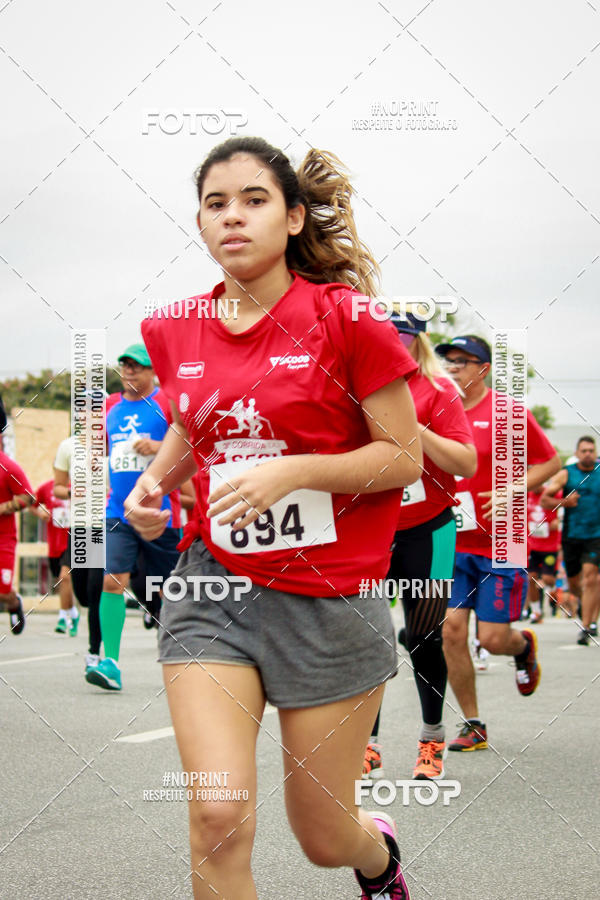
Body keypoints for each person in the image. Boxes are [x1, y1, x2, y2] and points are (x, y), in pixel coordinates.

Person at [128, 137, 423, 899]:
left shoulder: (349, 320)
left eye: (254, 201)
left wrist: (292, 472)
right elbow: (198, 424)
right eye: (215, 203)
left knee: (323, 835)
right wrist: (155, 484)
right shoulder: (172, 327)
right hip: (214, 590)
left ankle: (377, 858)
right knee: (218, 814)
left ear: (293, 217)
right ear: (198, 220)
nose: (233, 217)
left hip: (331, 601)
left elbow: (402, 457)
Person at [363, 311, 476, 782]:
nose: (393, 342)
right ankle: (366, 744)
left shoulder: (439, 390)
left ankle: (431, 738)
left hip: (429, 528)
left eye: (402, 335)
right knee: (366, 636)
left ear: (417, 342)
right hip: (370, 527)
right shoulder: (359, 387)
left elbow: (465, 463)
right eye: (384, 335)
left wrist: (415, 429)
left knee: (425, 635)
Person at [437, 336, 561, 752]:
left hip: (501, 541)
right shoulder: (434, 408)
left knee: (492, 639)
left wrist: (514, 487)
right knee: (451, 631)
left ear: (483, 368)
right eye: (446, 360)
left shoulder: (508, 413)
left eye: (461, 361)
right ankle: (473, 723)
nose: (452, 367)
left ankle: (523, 647)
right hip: (448, 539)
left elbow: (550, 462)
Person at [84, 344, 183, 691]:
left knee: (172, 590)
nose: (129, 372)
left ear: (152, 371)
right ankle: (109, 662)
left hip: (160, 512)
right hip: (118, 511)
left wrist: (159, 448)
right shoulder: (111, 406)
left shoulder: (167, 400)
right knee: (112, 581)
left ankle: (188, 662)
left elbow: (188, 443)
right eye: (125, 366)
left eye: (137, 367)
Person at [540, 436, 600, 645]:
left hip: (596, 535)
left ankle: (588, 626)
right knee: (575, 584)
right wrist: (563, 502)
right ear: (576, 453)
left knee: (591, 577)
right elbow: (544, 500)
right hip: (572, 535)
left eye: (591, 450)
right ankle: (587, 606)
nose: (588, 454)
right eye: (583, 450)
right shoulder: (567, 474)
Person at [53, 435, 104, 669]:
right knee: (83, 594)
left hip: (106, 524)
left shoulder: (112, 440)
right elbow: (58, 488)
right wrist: (74, 493)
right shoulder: (68, 446)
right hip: (79, 527)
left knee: (96, 592)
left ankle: (94, 652)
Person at [35, 478, 78, 634]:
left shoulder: (79, 486)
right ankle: (73, 613)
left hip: (73, 541)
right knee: (62, 581)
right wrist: (40, 513)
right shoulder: (47, 488)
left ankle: (62, 617)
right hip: (55, 544)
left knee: (64, 577)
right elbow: (32, 504)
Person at [0, 449, 35, 634]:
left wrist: (4, 507)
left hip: (3, 538)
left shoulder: (8, 467)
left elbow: (28, 496)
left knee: (3, 592)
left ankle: (14, 603)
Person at [525, 485, 562, 624]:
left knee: (547, 578)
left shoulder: (553, 493)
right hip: (532, 545)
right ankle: (536, 612)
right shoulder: (525, 495)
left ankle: (552, 589)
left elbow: (563, 511)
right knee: (530, 578)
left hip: (549, 546)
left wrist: (558, 521)